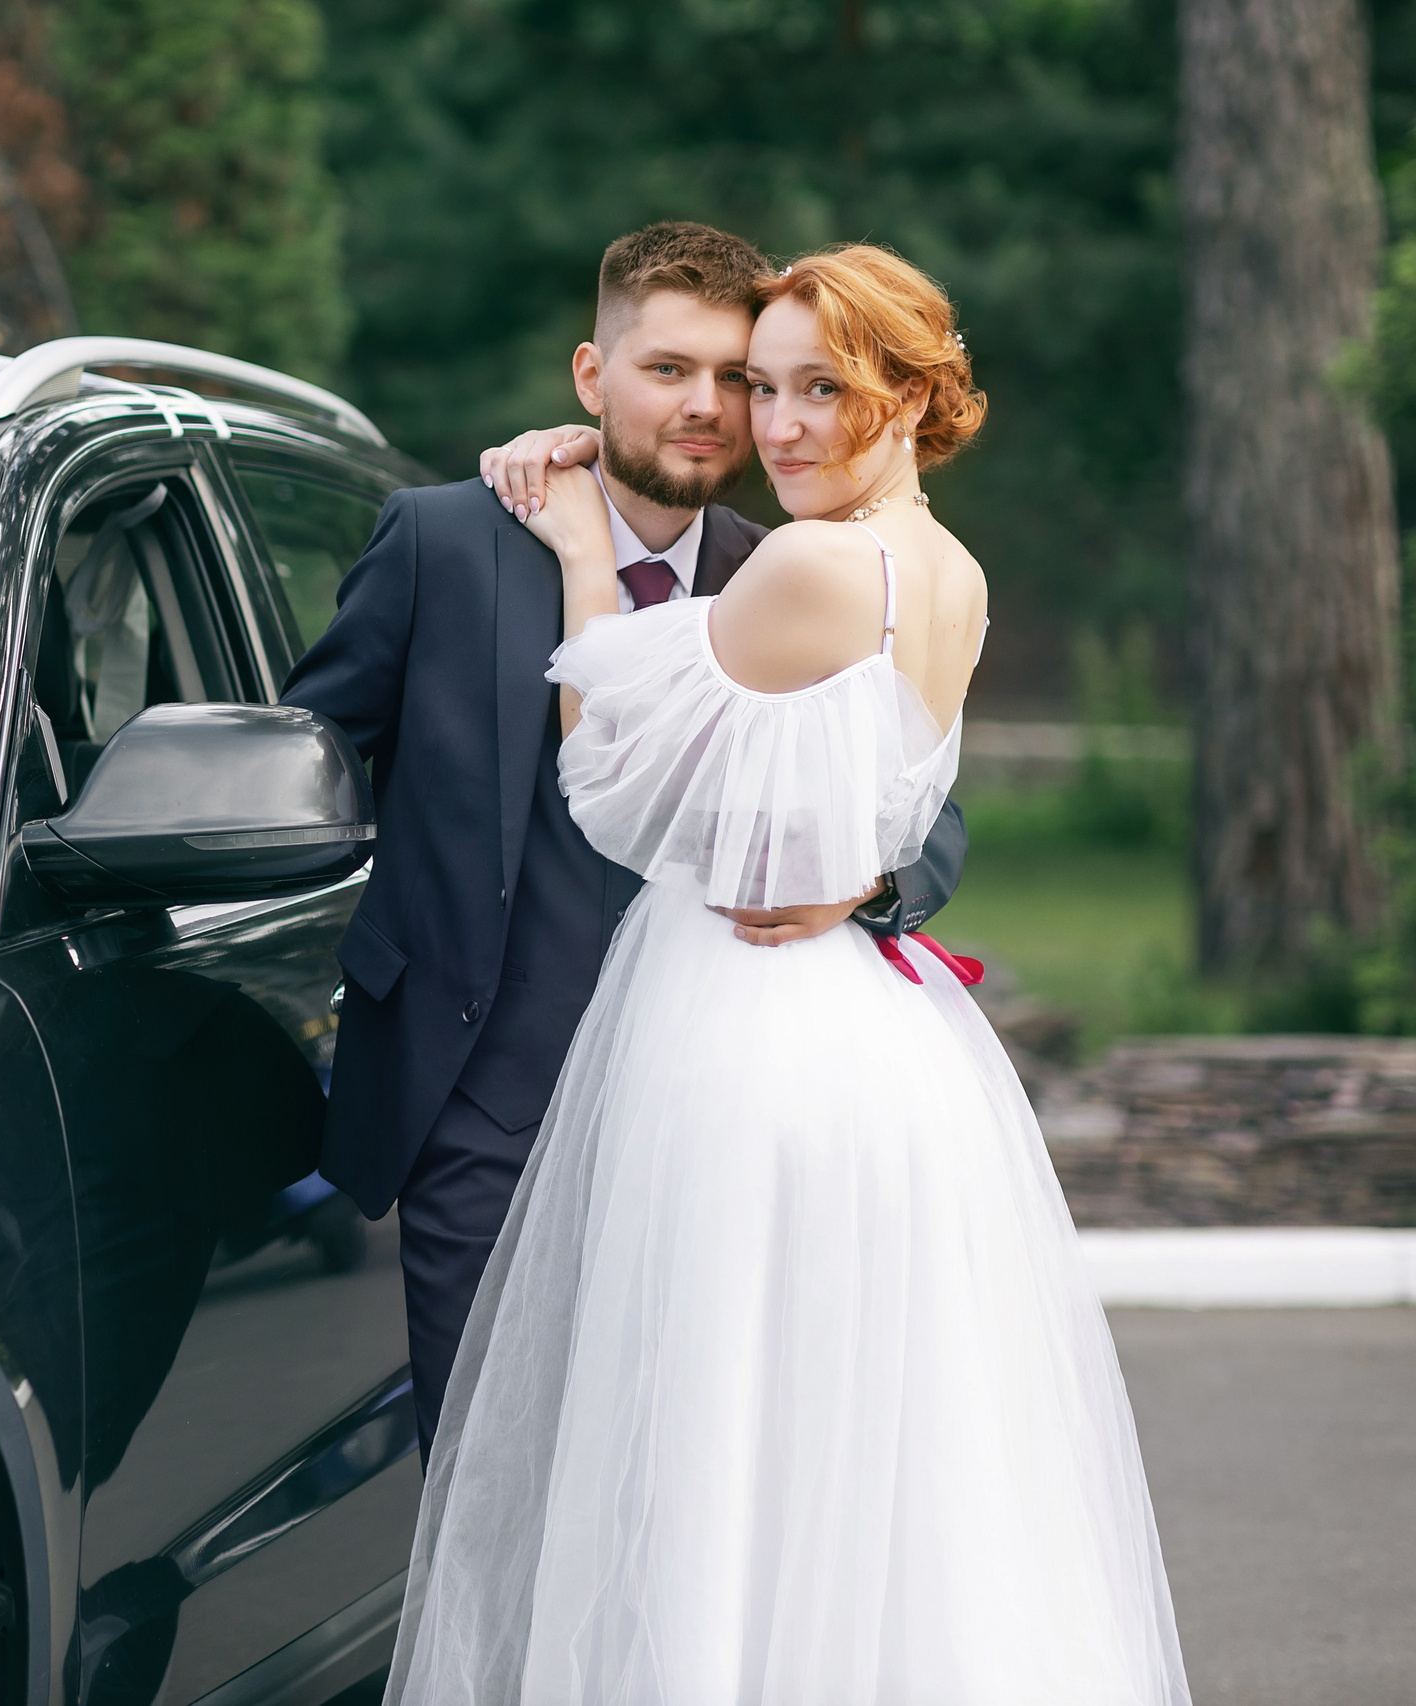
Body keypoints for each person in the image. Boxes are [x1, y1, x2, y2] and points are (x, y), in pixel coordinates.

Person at [386, 245, 1190, 1703]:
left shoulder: (811, 564)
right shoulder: (950, 566)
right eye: (769, 387)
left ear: (912, 398)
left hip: (747, 1039)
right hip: (883, 1049)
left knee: (709, 1436)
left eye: (828, 389)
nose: (781, 425)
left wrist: (579, 556)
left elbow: (616, 772)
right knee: (868, 1447)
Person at [280, 222, 967, 1458]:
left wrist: (864, 881)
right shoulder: (442, 543)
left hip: (717, 1121)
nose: (712, 409)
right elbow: (301, 758)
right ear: (592, 380)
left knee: (684, 1487)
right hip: (478, 1108)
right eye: (669, 371)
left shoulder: (793, 570)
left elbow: (928, 815)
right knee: (489, 1482)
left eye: (739, 378)